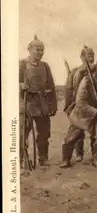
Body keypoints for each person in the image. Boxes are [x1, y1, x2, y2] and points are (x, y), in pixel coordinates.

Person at [19, 35, 58, 168]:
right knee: (23, 133)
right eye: (37, 49)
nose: (40, 52)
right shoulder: (22, 64)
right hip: (27, 103)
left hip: (42, 104)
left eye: (42, 50)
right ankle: (22, 158)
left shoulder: (45, 66)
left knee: (44, 133)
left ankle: (43, 158)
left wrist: (53, 106)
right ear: (29, 49)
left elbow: (51, 86)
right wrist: (19, 86)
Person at [63, 46, 96, 162]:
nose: (91, 58)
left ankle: (96, 157)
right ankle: (73, 156)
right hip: (78, 107)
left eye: (92, 55)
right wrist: (68, 107)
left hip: (93, 107)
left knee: (95, 132)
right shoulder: (75, 72)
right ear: (82, 57)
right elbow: (68, 90)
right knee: (76, 132)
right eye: (88, 55)